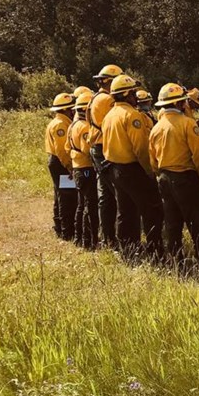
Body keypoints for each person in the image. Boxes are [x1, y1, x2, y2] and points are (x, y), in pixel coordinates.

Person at [148, 83, 199, 268]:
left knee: (172, 223)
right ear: (178, 103)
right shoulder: (188, 124)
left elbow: (153, 160)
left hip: (164, 179)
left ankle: (177, 262)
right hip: (186, 178)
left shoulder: (156, 128)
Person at [102, 74, 164, 261]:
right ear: (126, 94)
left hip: (115, 169)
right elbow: (141, 149)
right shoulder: (132, 116)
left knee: (125, 211)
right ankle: (155, 252)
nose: (136, 96)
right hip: (133, 169)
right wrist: (150, 171)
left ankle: (127, 251)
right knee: (152, 210)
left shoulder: (109, 115)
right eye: (134, 92)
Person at [87, 64, 123, 249]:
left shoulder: (96, 98)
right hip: (103, 148)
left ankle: (108, 238)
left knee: (106, 196)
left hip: (97, 147)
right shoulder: (107, 100)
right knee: (117, 194)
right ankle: (116, 238)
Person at [66, 91, 98, 249]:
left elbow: (67, 147)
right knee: (90, 205)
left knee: (81, 204)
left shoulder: (72, 124)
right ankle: (89, 241)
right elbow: (88, 149)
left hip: (77, 167)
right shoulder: (85, 127)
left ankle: (78, 237)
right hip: (86, 168)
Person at [45, 93, 77, 241]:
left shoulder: (58, 121)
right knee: (66, 196)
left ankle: (60, 227)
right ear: (67, 110)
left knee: (60, 195)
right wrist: (70, 167)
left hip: (57, 162)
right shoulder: (61, 125)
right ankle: (67, 231)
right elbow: (62, 150)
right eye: (72, 109)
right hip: (61, 163)